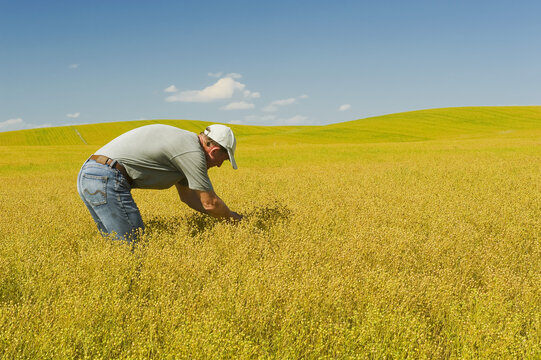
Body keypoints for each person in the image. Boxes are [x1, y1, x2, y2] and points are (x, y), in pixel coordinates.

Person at [77, 123, 242, 241]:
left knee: (116, 244)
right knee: (132, 245)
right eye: (224, 159)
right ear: (214, 151)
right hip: (106, 177)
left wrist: (221, 218)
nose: (220, 165)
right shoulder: (192, 152)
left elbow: (189, 197)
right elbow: (210, 203)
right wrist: (236, 220)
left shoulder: (184, 147)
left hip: (91, 175)